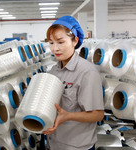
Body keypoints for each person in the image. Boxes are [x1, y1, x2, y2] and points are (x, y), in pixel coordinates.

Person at [43, 16, 104, 150]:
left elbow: (98, 114)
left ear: (75, 41)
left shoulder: (87, 72)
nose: (55, 49)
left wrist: (68, 116)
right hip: (55, 144)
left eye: (60, 42)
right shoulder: (54, 70)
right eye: (51, 43)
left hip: (77, 146)